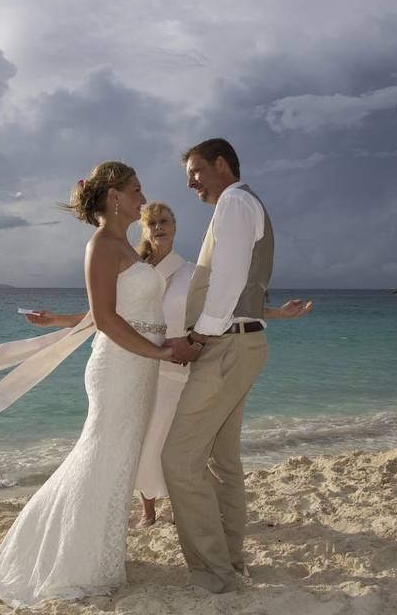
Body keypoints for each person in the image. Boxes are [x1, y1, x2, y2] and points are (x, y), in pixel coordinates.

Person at [27, 202, 311, 527]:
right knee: (142, 438)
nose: (159, 227)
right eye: (152, 223)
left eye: (164, 221)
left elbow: (228, 307)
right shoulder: (135, 271)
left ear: (175, 227)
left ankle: (179, 505)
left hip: (179, 363)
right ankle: (148, 509)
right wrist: (57, 320)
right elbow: (104, 315)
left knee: (172, 441)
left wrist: (278, 313)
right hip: (138, 362)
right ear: (144, 230)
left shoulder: (193, 272)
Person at [0, 161, 176, 606]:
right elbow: (105, 318)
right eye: (137, 190)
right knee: (102, 456)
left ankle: (99, 555)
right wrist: (159, 351)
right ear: (116, 197)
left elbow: (116, 311)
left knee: (117, 461)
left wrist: (161, 344)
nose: (144, 198)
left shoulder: (122, 244)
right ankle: (70, 561)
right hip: (120, 368)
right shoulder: (101, 244)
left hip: (139, 367)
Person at [163, 138, 272, 594]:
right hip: (245, 344)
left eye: (195, 171)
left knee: (178, 458)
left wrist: (196, 338)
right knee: (223, 458)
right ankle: (230, 559)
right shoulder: (245, 203)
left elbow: (226, 283)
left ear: (220, 165)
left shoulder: (232, 203)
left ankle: (214, 573)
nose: (190, 182)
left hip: (226, 346)